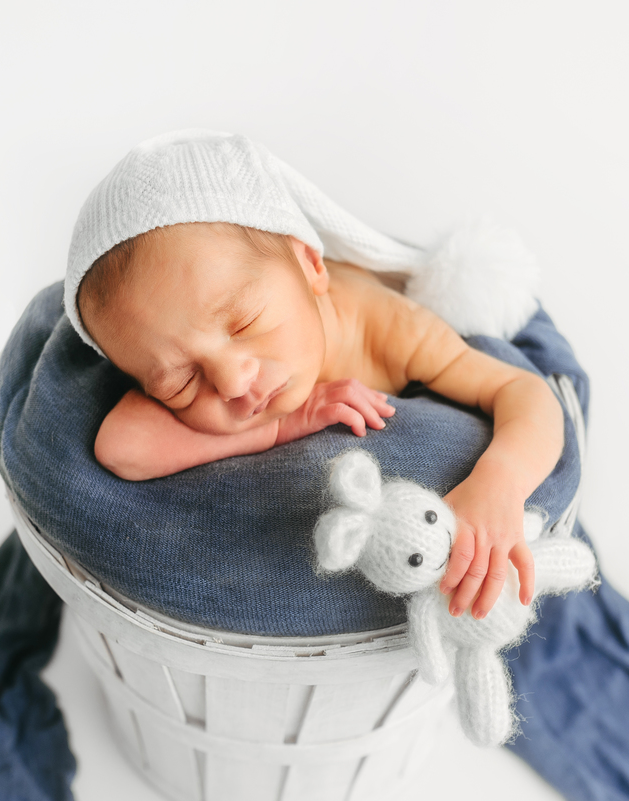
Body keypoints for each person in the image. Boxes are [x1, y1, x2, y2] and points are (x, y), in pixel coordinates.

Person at [68, 131, 562, 623]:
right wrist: (287, 423)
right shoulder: (192, 337)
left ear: (310, 264)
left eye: (244, 323)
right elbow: (122, 448)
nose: (233, 384)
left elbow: (522, 390)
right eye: (180, 383)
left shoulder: (391, 332)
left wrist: (500, 483)